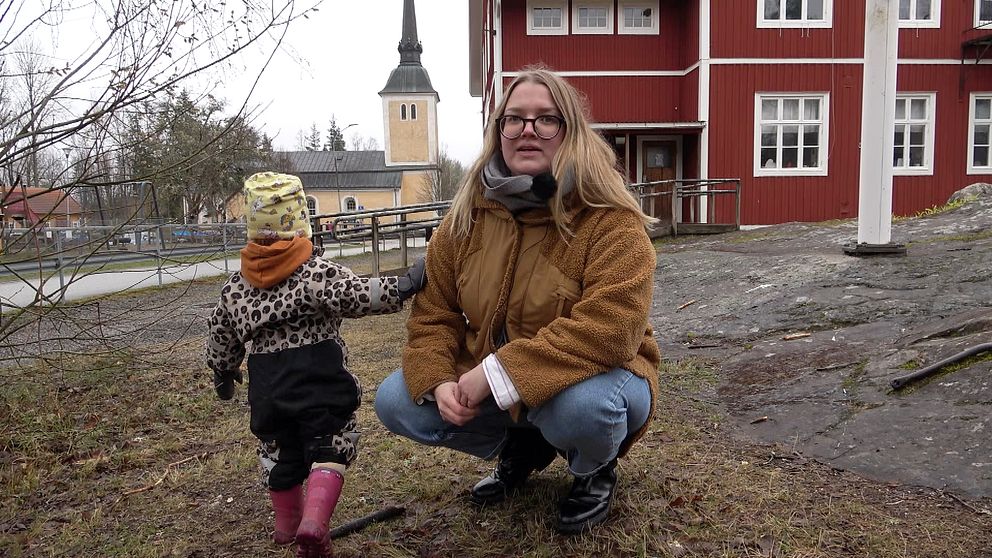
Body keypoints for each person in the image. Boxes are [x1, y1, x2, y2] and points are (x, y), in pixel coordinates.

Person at [374, 67, 660, 534]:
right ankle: (523, 446)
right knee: (397, 399)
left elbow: (613, 330)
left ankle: (592, 468)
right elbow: (433, 314)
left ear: (569, 131)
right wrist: (441, 380)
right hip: (500, 386)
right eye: (515, 119)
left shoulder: (609, 220)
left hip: (603, 377)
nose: (528, 130)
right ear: (499, 131)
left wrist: (498, 374)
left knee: (582, 410)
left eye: (546, 119)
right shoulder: (466, 218)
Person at [206, 172, 426, 558]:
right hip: (318, 379)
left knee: (279, 452)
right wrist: (403, 286)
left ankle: (287, 525)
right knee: (331, 445)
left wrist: (223, 373)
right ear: (300, 224)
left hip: (267, 388)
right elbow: (354, 294)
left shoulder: (236, 287)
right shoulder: (314, 274)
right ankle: (314, 522)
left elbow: (221, 335)